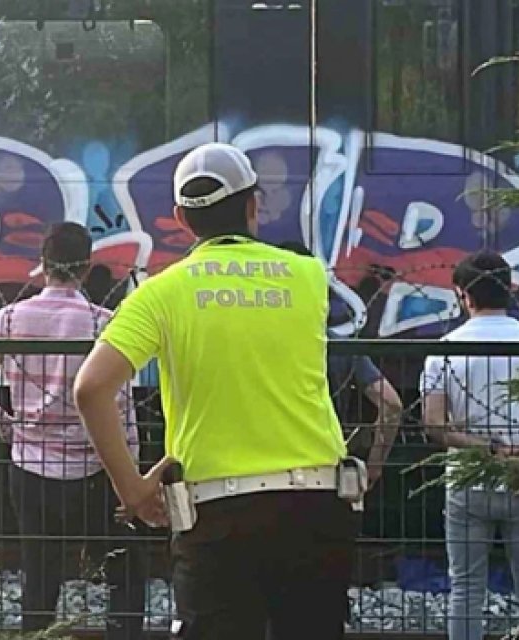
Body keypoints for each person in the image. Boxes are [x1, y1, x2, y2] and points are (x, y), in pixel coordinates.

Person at [73, 142, 357, 640]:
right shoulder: (308, 277)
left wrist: (135, 490)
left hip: (217, 514)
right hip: (315, 503)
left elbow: (92, 389)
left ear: (181, 218)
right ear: (254, 204)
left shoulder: (161, 291)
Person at [0, 222, 145, 639]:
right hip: (96, 472)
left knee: (39, 577)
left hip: (31, 469)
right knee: (123, 571)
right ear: (87, 266)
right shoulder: (104, 325)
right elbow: (122, 408)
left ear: (43, 265)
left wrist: (5, 426)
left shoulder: (10, 320)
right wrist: (132, 476)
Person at [420, 251, 519, 640]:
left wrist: (488, 450)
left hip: (467, 483)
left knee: (465, 588)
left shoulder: (444, 348)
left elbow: (434, 424)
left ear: (464, 295)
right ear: (511, 289)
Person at [278, 241, 403, 489]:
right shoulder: (338, 346)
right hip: (327, 470)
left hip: (269, 471)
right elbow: (391, 404)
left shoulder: (258, 344)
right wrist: (374, 467)